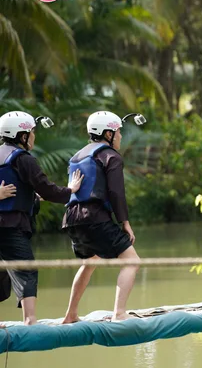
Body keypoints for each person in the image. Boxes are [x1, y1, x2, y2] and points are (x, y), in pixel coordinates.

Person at [61, 111, 146, 323]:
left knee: (89, 262)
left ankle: (71, 314)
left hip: (72, 218)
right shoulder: (111, 156)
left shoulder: (77, 156)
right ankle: (119, 313)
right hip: (95, 217)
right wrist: (125, 223)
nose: (120, 136)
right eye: (118, 132)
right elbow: (117, 192)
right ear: (107, 133)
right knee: (132, 262)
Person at [0, 111, 83, 325]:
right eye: (31, 132)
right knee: (26, 269)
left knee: (1, 274)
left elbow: (24, 190)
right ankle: (30, 320)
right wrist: (70, 190)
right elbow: (47, 189)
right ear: (21, 135)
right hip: (11, 227)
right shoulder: (23, 160)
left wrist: (30, 197)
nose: (34, 137)